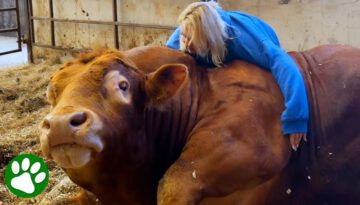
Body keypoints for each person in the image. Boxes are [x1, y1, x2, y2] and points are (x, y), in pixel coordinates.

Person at [166, 1, 309, 151]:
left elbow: (283, 63)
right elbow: (168, 58)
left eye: (192, 40)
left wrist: (296, 117)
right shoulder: (187, 30)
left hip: (257, 33)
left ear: (208, 37)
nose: (186, 45)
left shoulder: (245, 40)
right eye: (184, 37)